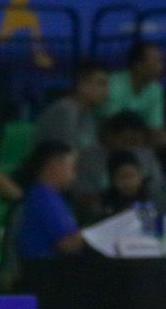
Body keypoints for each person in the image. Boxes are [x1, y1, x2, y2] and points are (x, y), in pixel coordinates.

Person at [36, 62, 110, 210]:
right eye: (101, 84)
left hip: (85, 192)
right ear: (82, 84)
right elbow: (62, 159)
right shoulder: (65, 111)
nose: (106, 91)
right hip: (57, 192)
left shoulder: (89, 116)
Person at [13, 141, 85, 260]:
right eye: (71, 167)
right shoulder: (43, 198)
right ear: (54, 166)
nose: (73, 175)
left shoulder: (51, 196)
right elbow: (68, 245)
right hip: (44, 268)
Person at [104, 40, 166, 150]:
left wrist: (160, 137)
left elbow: (154, 127)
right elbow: (108, 127)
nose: (161, 67)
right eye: (156, 61)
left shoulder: (156, 90)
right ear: (138, 65)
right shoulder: (114, 85)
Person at [99, 110, 163, 204]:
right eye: (126, 141)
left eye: (134, 143)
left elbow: (157, 182)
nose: (129, 148)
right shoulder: (95, 158)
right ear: (111, 136)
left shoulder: (145, 154)